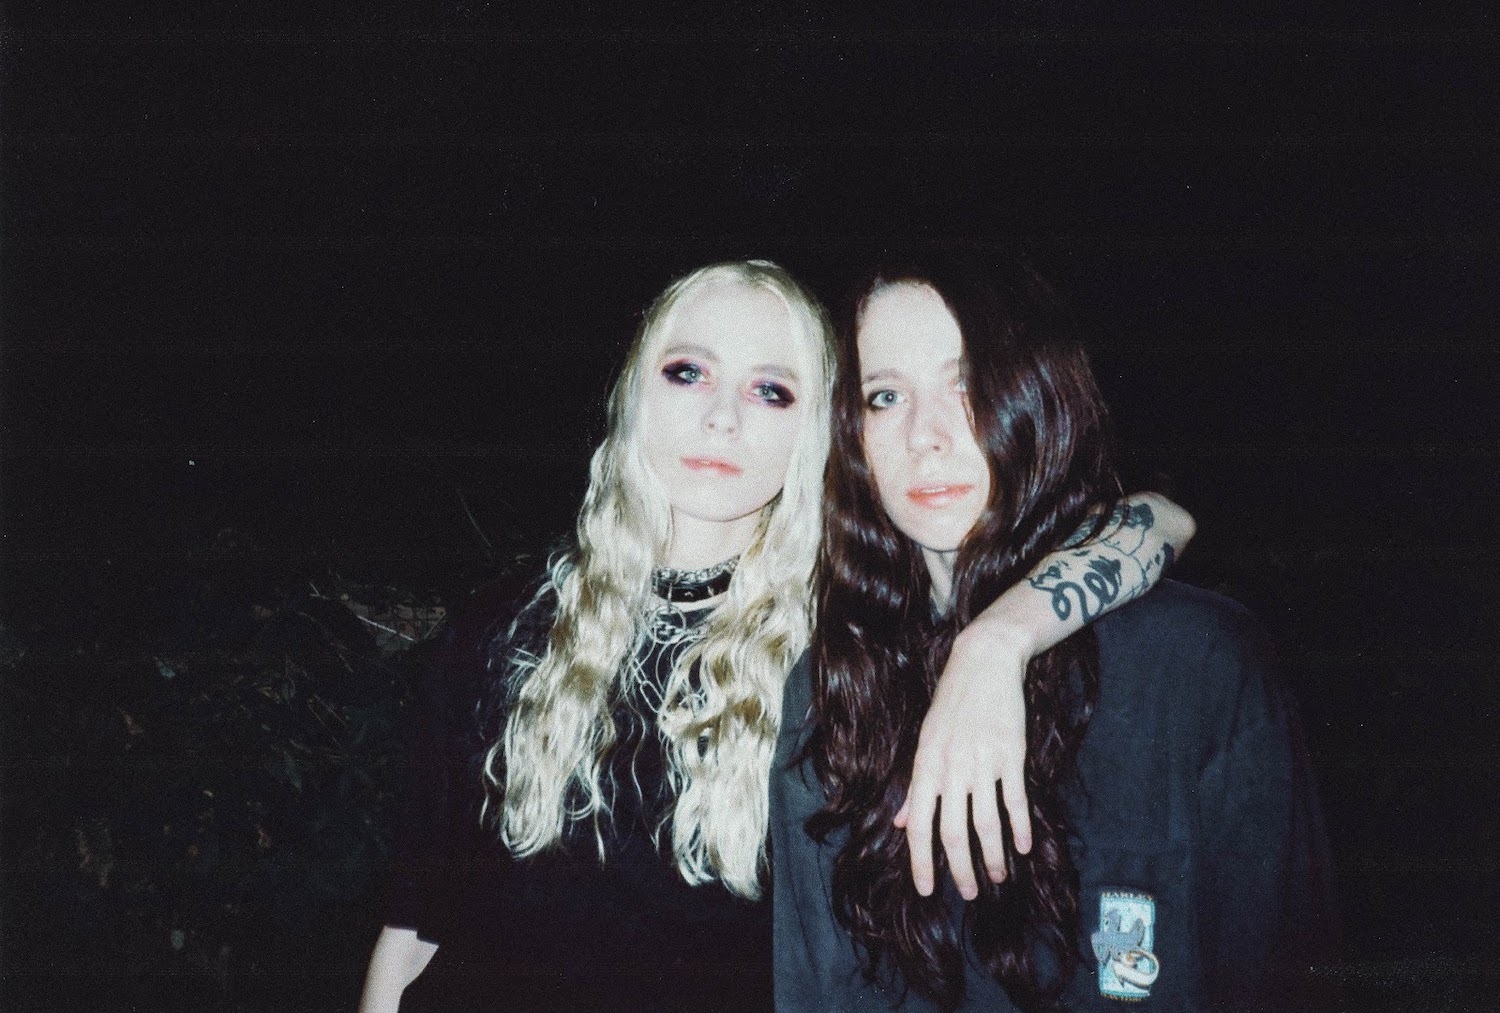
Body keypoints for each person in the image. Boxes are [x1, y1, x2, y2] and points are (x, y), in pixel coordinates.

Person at [358, 260, 1193, 1011]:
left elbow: (1158, 517)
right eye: (688, 372)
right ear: (634, 393)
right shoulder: (503, 631)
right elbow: (411, 932)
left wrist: (999, 639)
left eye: (771, 390)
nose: (722, 417)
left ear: (818, 428)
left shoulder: (851, 653)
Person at [773, 253, 1336, 1011]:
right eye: (885, 396)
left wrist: (994, 642)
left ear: (1036, 394)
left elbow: (1284, 973)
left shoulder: (1195, 661)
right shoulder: (829, 688)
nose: (925, 435)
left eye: (966, 383)